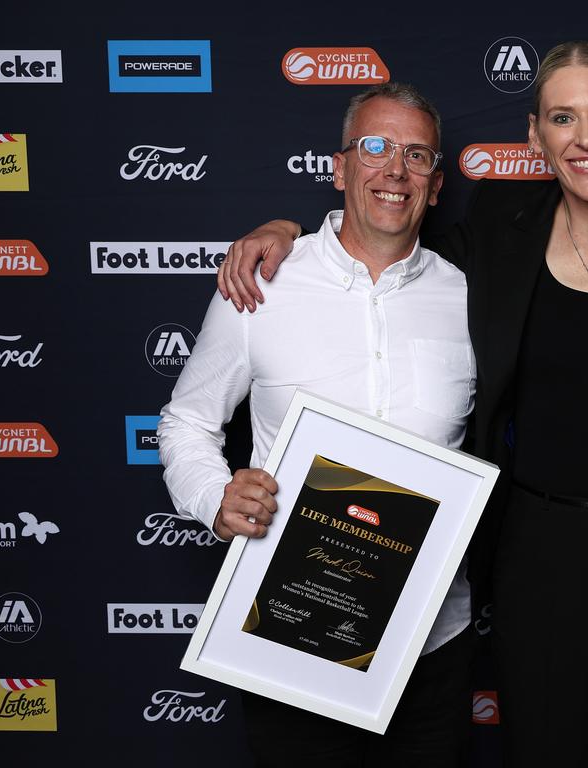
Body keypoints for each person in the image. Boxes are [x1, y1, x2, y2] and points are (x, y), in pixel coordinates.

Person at [217, 42, 588, 767]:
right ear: (535, 136)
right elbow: (383, 232)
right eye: (563, 117)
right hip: (540, 549)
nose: (586, 138)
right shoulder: (499, 225)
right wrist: (286, 233)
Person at [158, 82, 478, 767]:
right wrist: (216, 498)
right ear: (338, 169)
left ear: (437, 182)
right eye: (375, 147)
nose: (395, 170)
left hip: (433, 644)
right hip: (291, 633)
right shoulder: (264, 282)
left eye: (417, 156)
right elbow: (186, 420)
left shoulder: (469, 296)